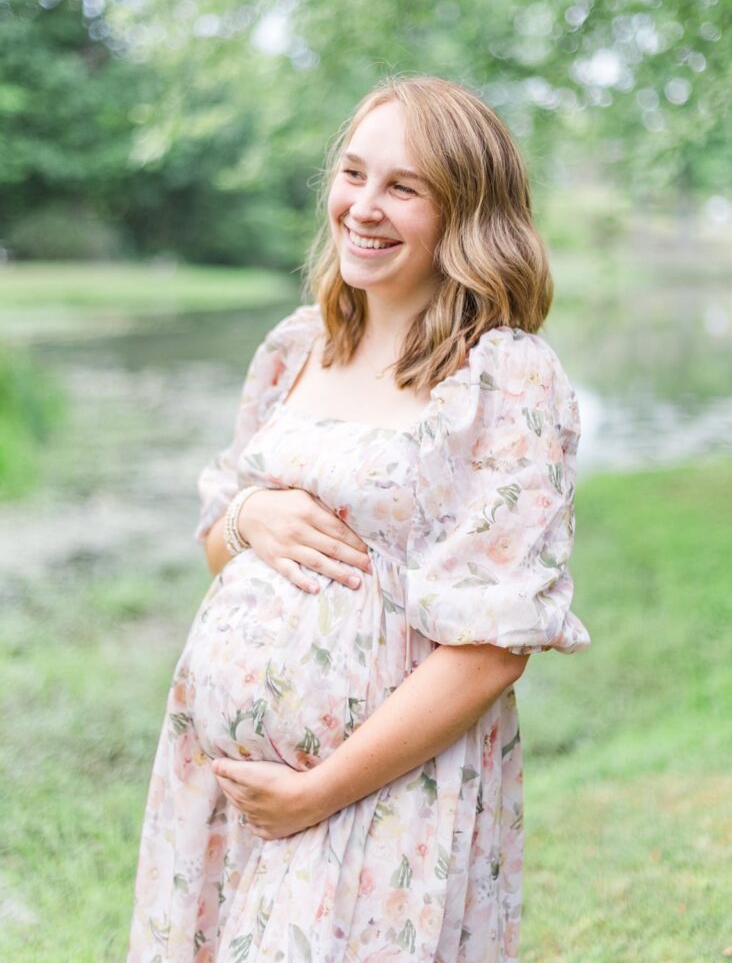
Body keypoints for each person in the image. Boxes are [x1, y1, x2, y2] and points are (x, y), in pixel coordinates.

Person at [127, 74, 590, 963]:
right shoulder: (297, 347)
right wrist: (254, 513)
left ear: (467, 216)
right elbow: (221, 547)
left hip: (378, 795)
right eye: (353, 175)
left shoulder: (504, 379)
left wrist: (317, 792)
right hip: (217, 786)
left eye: (403, 188)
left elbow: (492, 651)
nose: (363, 208)